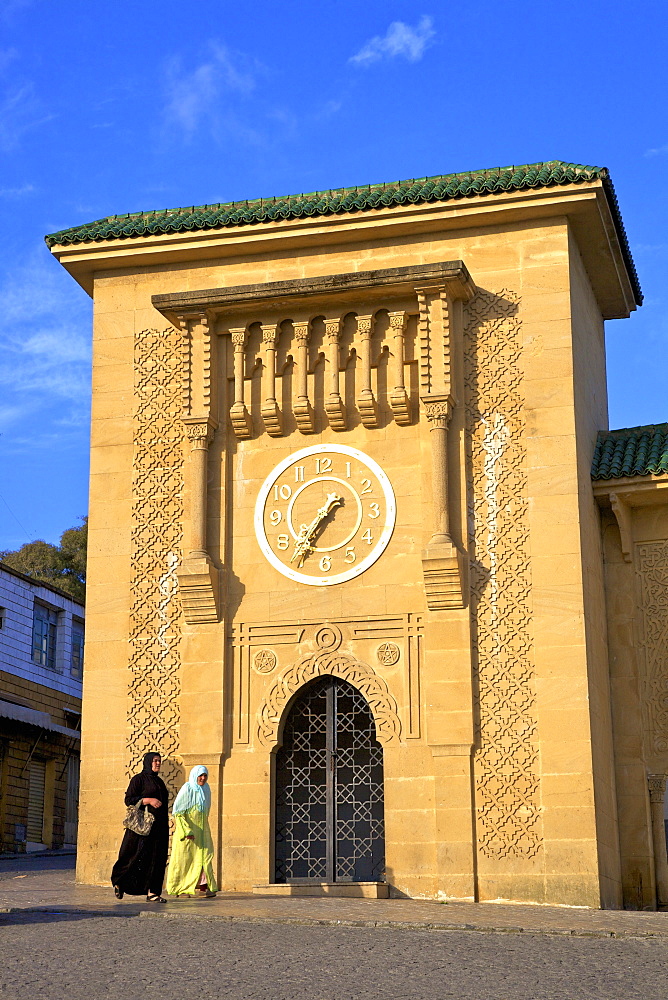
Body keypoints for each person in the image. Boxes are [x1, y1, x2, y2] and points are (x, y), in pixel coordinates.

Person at [111, 751, 169, 903]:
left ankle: (153, 893)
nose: (157, 763)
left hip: (159, 827)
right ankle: (119, 882)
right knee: (134, 855)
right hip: (141, 828)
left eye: (159, 761)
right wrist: (147, 800)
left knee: (157, 859)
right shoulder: (139, 779)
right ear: (148, 762)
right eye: (155, 761)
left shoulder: (159, 782)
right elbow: (129, 799)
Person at [166, 765, 217, 898]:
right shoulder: (187, 789)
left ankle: (203, 887)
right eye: (200, 775)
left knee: (204, 858)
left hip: (202, 831)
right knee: (185, 860)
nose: (203, 778)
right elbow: (178, 812)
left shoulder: (206, 789)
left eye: (205, 775)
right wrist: (186, 830)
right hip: (187, 833)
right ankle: (181, 889)